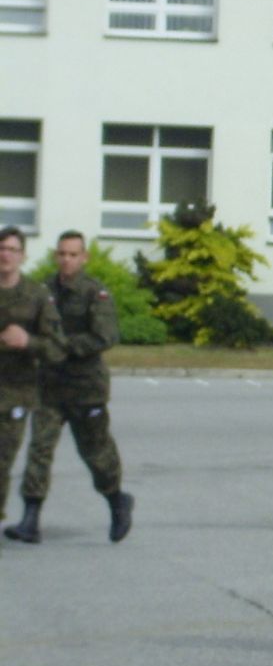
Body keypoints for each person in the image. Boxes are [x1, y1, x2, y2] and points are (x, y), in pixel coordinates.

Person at [7, 232, 133, 545]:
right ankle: (31, 518)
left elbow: (105, 336)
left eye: (73, 255)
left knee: (96, 452)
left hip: (85, 387)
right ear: (55, 256)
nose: (66, 260)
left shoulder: (95, 293)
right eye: (62, 254)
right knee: (40, 450)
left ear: (84, 258)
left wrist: (61, 346)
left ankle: (116, 499)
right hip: (49, 385)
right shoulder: (42, 290)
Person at [0, 225, 66, 554]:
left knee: (1, 460)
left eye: (12, 249)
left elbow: (57, 348)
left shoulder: (37, 296)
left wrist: (28, 341)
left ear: (23, 256)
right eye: (1, 249)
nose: (5, 255)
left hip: (14, 393)